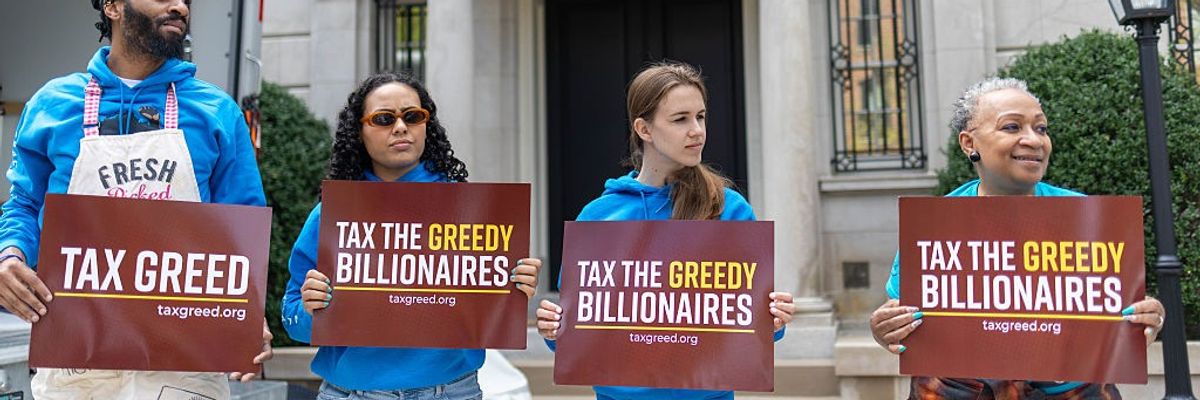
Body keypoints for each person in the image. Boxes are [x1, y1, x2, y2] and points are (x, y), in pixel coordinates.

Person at [0, 0, 272, 398]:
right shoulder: (52, 104)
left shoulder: (216, 111)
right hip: (77, 358)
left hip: (184, 360)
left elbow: (240, 229)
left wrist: (247, 312)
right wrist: (9, 256)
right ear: (112, 6)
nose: (179, 6)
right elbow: (24, 203)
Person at [870, 77, 1166, 399]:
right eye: (1012, 127)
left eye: (1041, 128)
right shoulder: (935, 227)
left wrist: (1146, 317)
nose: (1034, 140)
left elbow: (1118, 308)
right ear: (969, 143)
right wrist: (885, 329)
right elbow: (903, 316)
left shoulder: (1087, 218)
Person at [535, 61, 795, 400]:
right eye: (680, 119)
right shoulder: (597, 217)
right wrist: (553, 328)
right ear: (644, 129)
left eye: (700, 116)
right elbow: (576, 338)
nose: (697, 130)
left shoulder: (730, 209)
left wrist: (773, 319)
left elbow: (755, 331)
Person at [281, 71, 543, 400]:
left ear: (426, 125)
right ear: (359, 131)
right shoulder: (332, 215)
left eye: (413, 116)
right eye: (384, 119)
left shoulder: (472, 215)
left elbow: (488, 313)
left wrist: (515, 288)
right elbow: (291, 319)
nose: (401, 127)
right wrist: (310, 309)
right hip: (352, 393)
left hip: (451, 392)